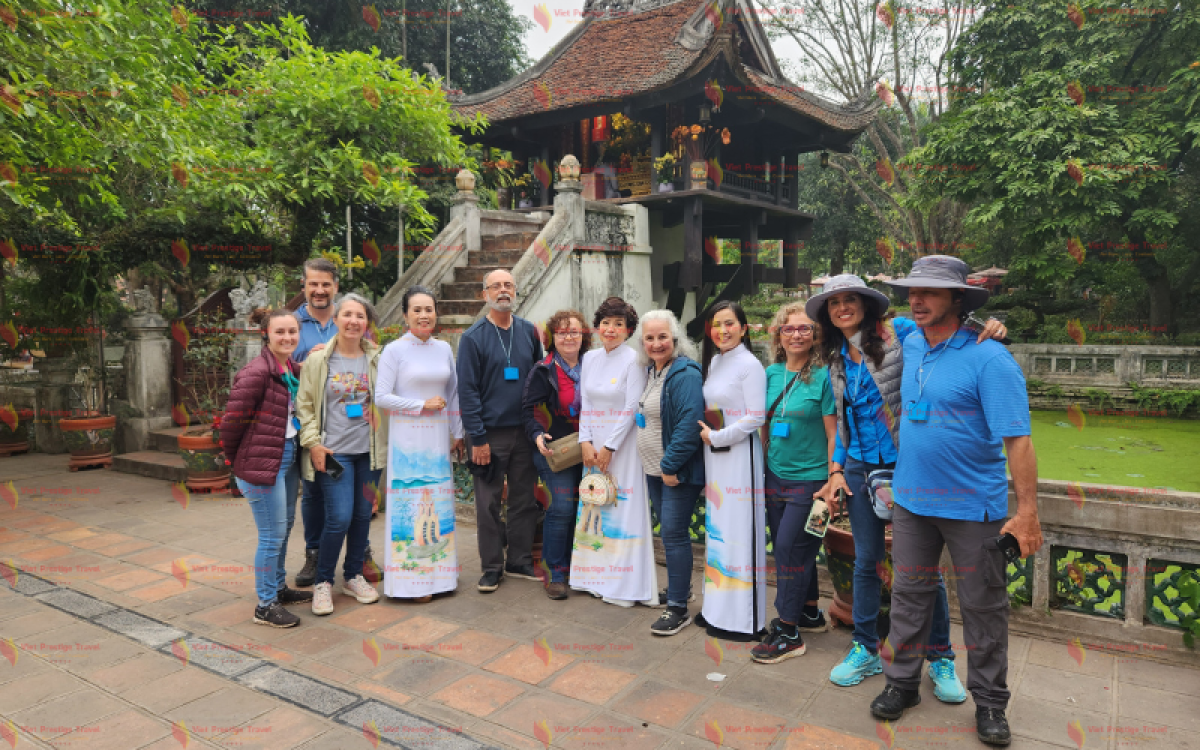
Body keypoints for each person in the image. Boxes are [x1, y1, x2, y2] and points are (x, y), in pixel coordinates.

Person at [872, 256, 1043, 746]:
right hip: (911, 501)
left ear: (958, 298)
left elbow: (1019, 440)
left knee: (983, 607)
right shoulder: (910, 342)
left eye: (929, 291)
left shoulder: (990, 357)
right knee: (909, 596)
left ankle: (990, 703)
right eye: (912, 291)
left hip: (973, 507)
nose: (917, 300)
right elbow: (857, 322)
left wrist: (1027, 513)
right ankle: (902, 684)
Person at [810, 274, 1003, 697]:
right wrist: (836, 469)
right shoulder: (835, 357)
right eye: (833, 303)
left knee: (921, 568)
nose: (842, 308)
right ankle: (865, 646)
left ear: (866, 303)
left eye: (850, 299)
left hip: (906, 467)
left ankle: (940, 656)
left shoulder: (897, 333)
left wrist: (985, 324)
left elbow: (945, 327)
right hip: (859, 469)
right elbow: (843, 421)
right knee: (866, 561)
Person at [751, 303, 836, 663]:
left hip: (812, 482)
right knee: (796, 549)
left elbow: (834, 434)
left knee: (789, 550)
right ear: (778, 336)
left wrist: (832, 480)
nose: (796, 335)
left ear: (815, 335)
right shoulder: (770, 374)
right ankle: (809, 611)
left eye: (804, 329)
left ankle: (788, 632)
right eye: (789, 329)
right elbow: (764, 425)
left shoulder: (825, 377)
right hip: (775, 477)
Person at [220, 308, 312, 628]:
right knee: (271, 535)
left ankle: (278, 588)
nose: (287, 337)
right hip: (261, 461)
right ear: (266, 335)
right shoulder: (256, 373)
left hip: (287, 454)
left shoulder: (290, 369)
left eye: (292, 331)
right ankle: (265, 605)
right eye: (280, 332)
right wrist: (240, 463)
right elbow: (231, 425)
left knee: (283, 528)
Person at [296, 293, 386, 616]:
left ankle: (352, 575)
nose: (353, 321)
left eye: (360, 316)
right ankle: (323, 581)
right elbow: (304, 405)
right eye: (347, 314)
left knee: (362, 515)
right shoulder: (318, 360)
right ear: (336, 319)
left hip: (369, 452)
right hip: (334, 453)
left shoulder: (378, 359)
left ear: (367, 322)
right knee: (339, 517)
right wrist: (313, 443)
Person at [456, 269, 545, 592]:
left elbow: (539, 378)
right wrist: (477, 438)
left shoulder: (529, 331)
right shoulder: (472, 338)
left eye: (508, 285)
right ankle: (492, 566)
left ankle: (519, 559)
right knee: (488, 504)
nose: (503, 290)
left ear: (515, 291)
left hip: (524, 431)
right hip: (488, 435)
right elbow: (467, 392)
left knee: (524, 499)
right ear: (485, 294)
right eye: (496, 286)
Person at [375, 286, 464, 601]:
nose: (424, 315)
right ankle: (412, 583)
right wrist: (420, 405)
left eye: (429, 309)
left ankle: (442, 577)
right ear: (405, 315)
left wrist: (458, 432)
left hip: (437, 439)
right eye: (417, 310)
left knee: (438, 503)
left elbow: (453, 393)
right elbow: (381, 396)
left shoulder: (444, 349)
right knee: (412, 504)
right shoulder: (394, 350)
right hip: (408, 441)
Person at [573, 297, 655, 607]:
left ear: (629, 329)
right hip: (592, 447)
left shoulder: (635, 360)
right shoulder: (590, 358)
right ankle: (593, 578)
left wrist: (610, 446)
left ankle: (624, 585)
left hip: (622, 446)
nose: (611, 329)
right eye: (606, 323)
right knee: (595, 506)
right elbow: (586, 403)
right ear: (597, 327)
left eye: (618, 324)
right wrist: (585, 442)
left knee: (621, 507)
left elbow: (631, 407)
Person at [697, 301, 767, 640]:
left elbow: (756, 416)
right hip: (715, 457)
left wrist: (718, 437)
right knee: (718, 531)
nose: (722, 331)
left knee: (739, 534)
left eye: (729, 323)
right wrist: (712, 440)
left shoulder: (750, 365)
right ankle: (715, 611)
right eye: (716, 324)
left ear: (743, 328)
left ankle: (744, 621)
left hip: (739, 458)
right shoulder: (715, 361)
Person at [635, 310, 705, 634]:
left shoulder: (685, 373)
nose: (656, 343)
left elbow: (690, 425)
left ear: (675, 339)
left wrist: (669, 465)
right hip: (656, 470)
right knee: (669, 534)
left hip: (674, 472)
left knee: (674, 536)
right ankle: (680, 589)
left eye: (662, 336)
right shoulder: (653, 371)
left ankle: (678, 608)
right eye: (649, 338)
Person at [522, 309, 590, 600]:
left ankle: (584, 569)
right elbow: (529, 410)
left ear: (583, 335)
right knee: (561, 508)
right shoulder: (544, 369)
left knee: (589, 508)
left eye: (574, 331)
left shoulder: (595, 364)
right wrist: (537, 433)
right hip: (556, 450)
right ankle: (556, 574)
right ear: (553, 337)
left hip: (591, 448)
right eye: (562, 332)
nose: (568, 337)